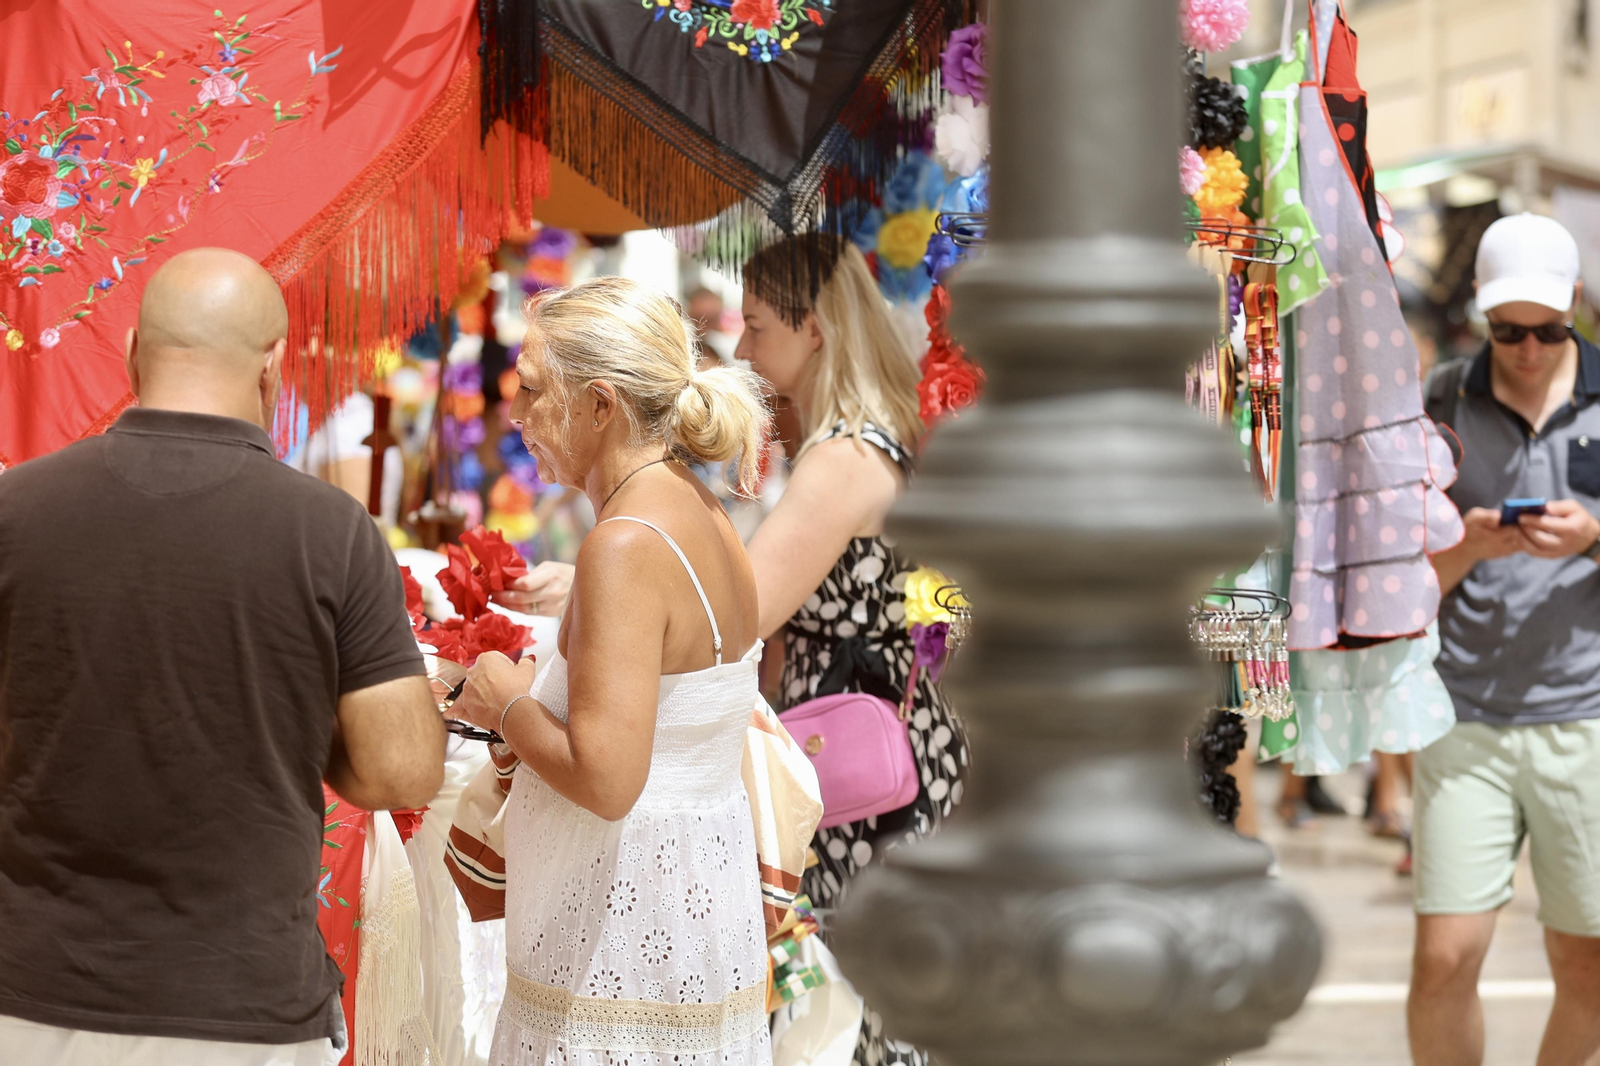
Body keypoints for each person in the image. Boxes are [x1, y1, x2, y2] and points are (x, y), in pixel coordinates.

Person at [0, 248, 446, 1066]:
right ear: (276, 367)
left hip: (28, 993)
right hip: (242, 1005)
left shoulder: (13, 510)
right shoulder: (331, 532)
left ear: (134, 348)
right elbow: (402, 771)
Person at [447, 276, 774, 1066]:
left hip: (628, 941)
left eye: (531, 391)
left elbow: (608, 778)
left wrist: (505, 704)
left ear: (601, 404)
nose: (515, 415)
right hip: (684, 921)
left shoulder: (625, 541)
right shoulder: (696, 507)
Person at [740, 234, 968, 1066]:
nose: (741, 348)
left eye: (757, 326)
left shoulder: (841, 458)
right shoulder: (884, 438)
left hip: (858, 780)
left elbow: (743, 607)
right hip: (900, 753)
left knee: (853, 1010)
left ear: (814, 329)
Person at [1410, 214, 1600, 1066]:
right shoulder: (1442, 399)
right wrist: (1470, 544)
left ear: (1577, 308)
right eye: (1507, 330)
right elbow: (1403, 574)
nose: (1526, 349)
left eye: (1547, 329)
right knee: (1444, 958)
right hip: (1464, 718)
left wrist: (1594, 535)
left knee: (1588, 969)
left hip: (1587, 722)